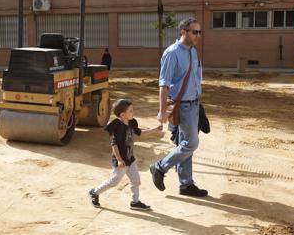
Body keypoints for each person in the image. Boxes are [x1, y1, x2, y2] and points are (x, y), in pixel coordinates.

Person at [149, 17, 208, 197]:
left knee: (185, 145)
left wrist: (199, 104)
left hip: (194, 104)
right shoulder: (172, 53)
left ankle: (186, 184)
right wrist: (161, 111)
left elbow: (194, 78)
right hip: (181, 106)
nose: (198, 35)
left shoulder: (193, 51)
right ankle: (160, 167)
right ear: (183, 32)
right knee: (191, 143)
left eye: (199, 32)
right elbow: (164, 84)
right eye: (194, 32)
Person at [88, 99, 162, 210]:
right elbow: (114, 144)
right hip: (121, 161)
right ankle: (94, 192)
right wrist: (119, 160)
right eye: (131, 111)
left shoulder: (131, 123)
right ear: (123, 115)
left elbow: (140, 132)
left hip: (130, 159)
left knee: (136, 180)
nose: (133, 112)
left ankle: (135, 202)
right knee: (114, 181)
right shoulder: (118, 126)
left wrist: (155, 130)